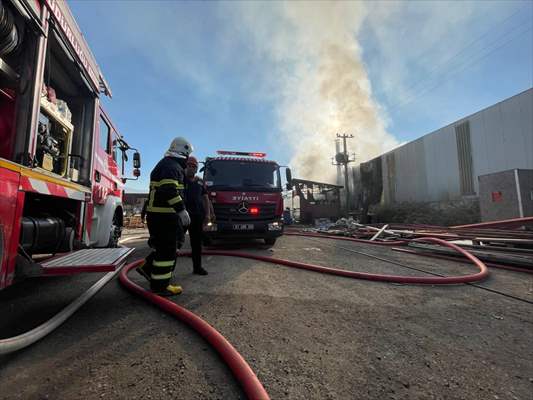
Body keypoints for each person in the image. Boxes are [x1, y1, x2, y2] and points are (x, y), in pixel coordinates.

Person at [136, 137, 192, 296]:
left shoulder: (168, 164)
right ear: (185, 152)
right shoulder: (171, 166)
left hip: (161, 216)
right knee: (167, 252)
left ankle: (147, 268)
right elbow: (168, 189)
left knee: (164, 248)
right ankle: (160, 286)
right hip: (164, 216)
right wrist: (181, 210)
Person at [183, 156, 211, 275]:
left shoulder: (200, 182)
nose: (191, 168)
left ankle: (197, 268)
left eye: (194, 166)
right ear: (185, 166)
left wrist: (208, 214)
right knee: (175, 242)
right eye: (189, 165)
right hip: (182, 215)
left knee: (196, 244)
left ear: (196, 169)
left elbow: (206, 199)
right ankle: (167, 269)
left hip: (197, 217)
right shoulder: (180, 180)